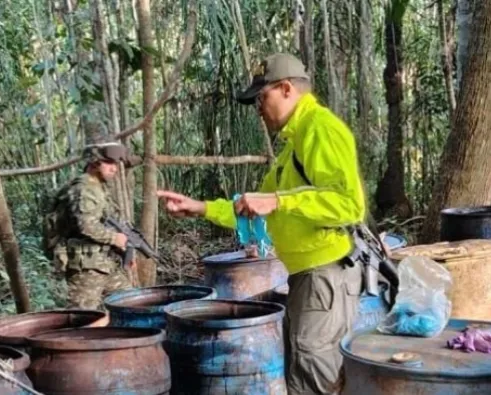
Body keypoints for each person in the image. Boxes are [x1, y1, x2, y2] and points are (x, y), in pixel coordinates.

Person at [157, 53, 367, 394]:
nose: (257, 107)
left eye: (261, 97)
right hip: (306, 275)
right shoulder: (293, 145)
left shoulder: (320, 128)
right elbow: (250, 208)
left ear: (286, 89)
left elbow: (349, 206)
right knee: (302, 370)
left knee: (314, 375)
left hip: (325, 272)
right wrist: (200, 208)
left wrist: (280, 201)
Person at [44, 142, 142, 309]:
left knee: (131, 306)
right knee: (83, 318)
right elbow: (87, 227)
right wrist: (115, 238)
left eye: (116, 164)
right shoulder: (84, 189)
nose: (114, 169)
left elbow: (107, 223)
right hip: (86, 267)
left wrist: (124, 249)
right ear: (95, 163)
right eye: (109, 164)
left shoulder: (98, 188)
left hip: (104, 263)